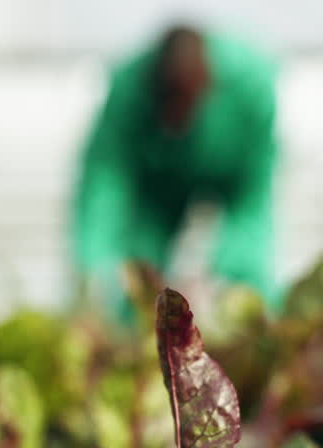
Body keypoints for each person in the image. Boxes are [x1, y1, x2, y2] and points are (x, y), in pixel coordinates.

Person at [72, 25, 280, 315]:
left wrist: (229, 281)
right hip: (157, 182)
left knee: (246, 270)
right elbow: (104, 185)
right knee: (140, 275)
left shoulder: (252, 82)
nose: (175, 121)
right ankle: (136, 331)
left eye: (184, 107)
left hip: (232, 170)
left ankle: (254, 323)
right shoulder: (127, 88)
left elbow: (252, 197)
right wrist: (94, 276)